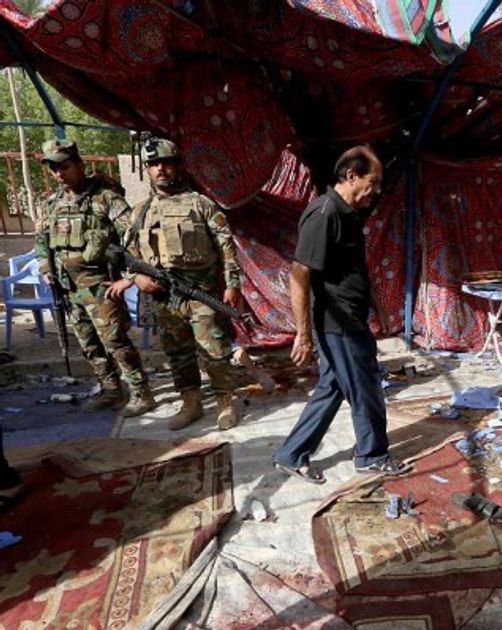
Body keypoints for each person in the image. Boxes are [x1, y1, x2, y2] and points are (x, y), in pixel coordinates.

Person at [272, 145, 408, 484]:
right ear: (351, 175)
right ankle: (372, 456)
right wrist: (303, 334)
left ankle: (291, 454)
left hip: (350, 316)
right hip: (340, 322)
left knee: (331, 387)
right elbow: (299, 273)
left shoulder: (347, 213)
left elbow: (351, 270)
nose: (377, 191)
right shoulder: (325, 214)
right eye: (373, 182)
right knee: (366, 389)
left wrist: (376, 305)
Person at [107, 137, 241, 430]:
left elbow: (226, 246)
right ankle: (191, 403)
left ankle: (225, 402)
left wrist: (232, 285)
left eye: (166, 163)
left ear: (178, 166)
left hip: (201, 292)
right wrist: (137, 278)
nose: (160, 169)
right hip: (163, 297)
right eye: (153, 164)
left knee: (215, 350)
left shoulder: (200, 203)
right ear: (146, 169)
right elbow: (127, 253)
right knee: (177, 354)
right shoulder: (140, 211)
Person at [34, 138, 155, 415]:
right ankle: (111, 389)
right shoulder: (52, 204)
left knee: (115, 342)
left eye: (64, 166)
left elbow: (132, 237)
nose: (59, 173)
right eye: (54, 168)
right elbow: (41, 240)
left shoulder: (105, 198)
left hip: (101, 286)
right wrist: (45, 269)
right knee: (88, 344)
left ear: (79, 164)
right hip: (67, 287)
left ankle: (141, 393)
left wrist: (130, 277)